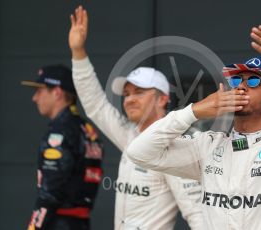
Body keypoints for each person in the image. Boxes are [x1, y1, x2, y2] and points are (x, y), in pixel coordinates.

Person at [127, 23, 261, 230]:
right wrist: (193, 111)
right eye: (238, 80)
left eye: (253, 82)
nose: (241, 85)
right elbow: (139, 152)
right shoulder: (207, 145)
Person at [68, 6, 203, 230]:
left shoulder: (174, 146)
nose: (129, 99)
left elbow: (196, 212)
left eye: (139, 93)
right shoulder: (131, 135)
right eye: (127, 93)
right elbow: (96, 106)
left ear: (162, 99)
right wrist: (78, 52)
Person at [22, 64, 103, 230]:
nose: (34, 98)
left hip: (58, 222)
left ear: (57, 92)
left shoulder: (60, 132)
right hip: (80, 222)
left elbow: (50, 192)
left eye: (40, 91)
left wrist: (34, 226)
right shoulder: (88, 130)